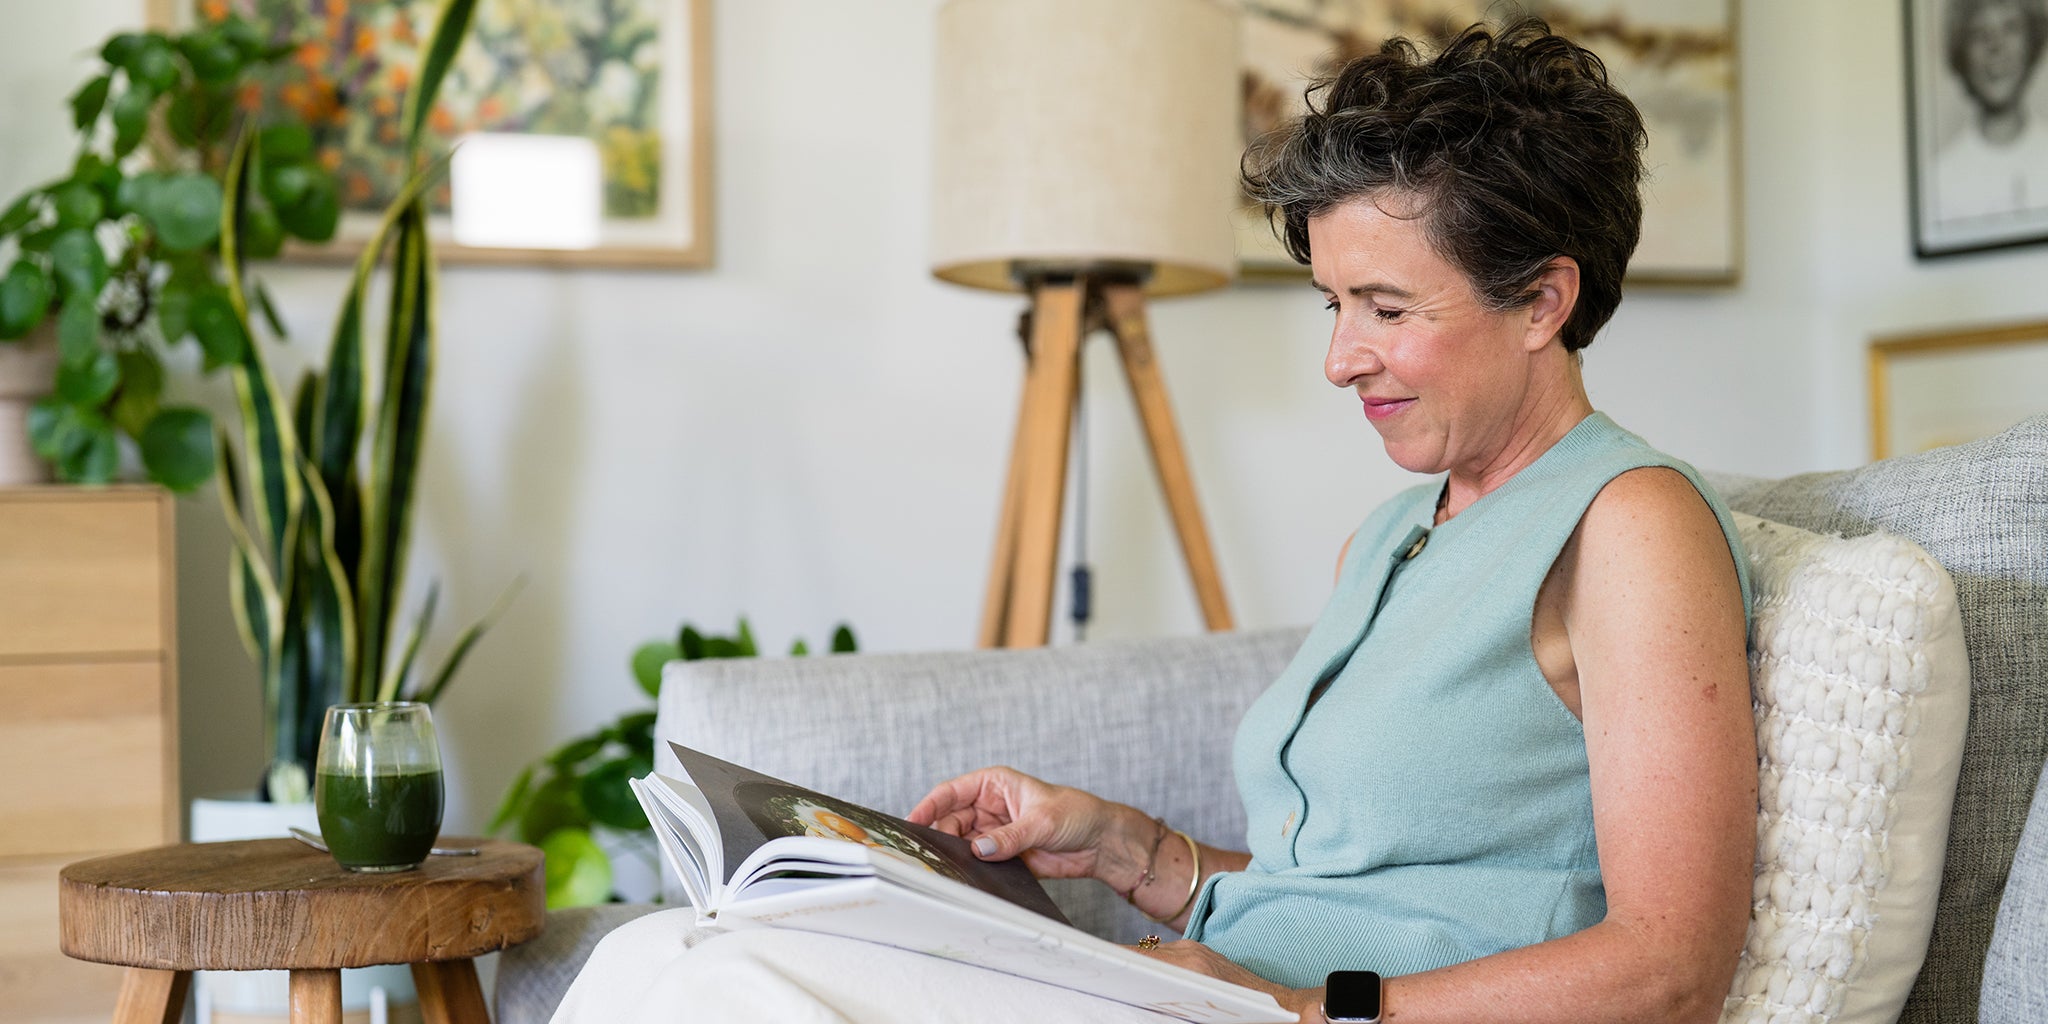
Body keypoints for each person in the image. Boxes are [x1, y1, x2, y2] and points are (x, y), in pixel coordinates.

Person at [553, 19, 1756, 1024]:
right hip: (1224, 1000)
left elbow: (1667, 967)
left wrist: (1294, 1010)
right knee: (666, 956)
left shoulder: (1626, 526)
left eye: (1386, 307)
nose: (1341, 358)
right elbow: (1326, 884)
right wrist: (1130, 849)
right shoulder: (1391, 534)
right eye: (1333, 302)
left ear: (1542, 298)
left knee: (732, 981)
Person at [1932, 0, 2048, 222]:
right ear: (1961, 53)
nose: (1996, 46)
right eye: (1979, 33)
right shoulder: (1941, 180)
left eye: (2010, 27)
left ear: (2032, 41)